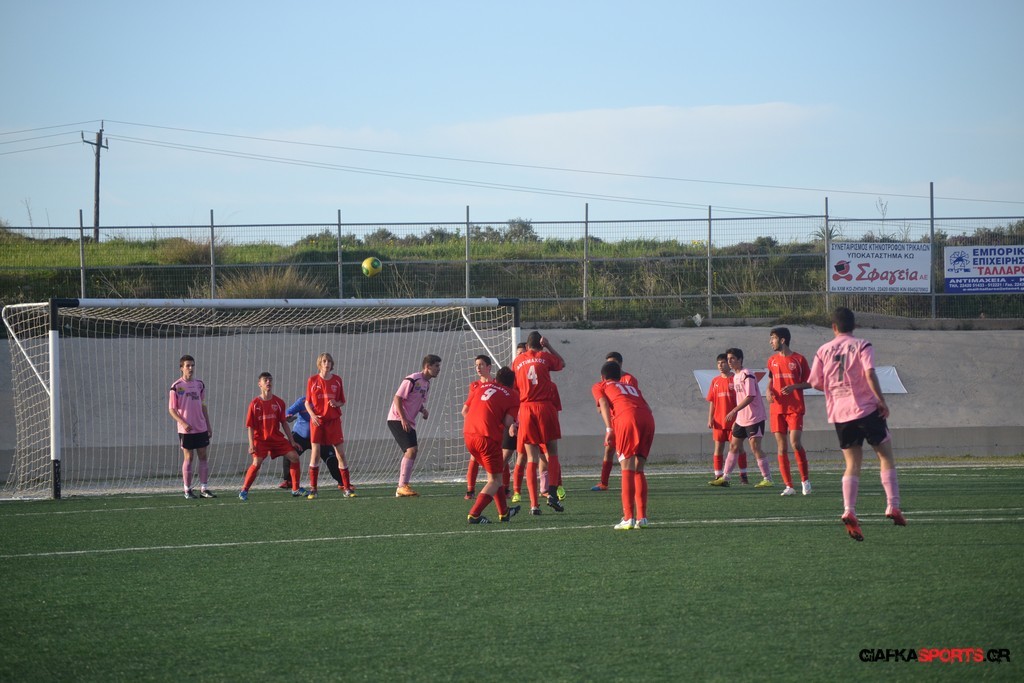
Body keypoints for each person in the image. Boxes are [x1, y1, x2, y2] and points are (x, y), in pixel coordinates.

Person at [808, 307, 906, 541]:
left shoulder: (822, 350)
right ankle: (892, 505)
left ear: (833, 327)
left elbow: (815, 382)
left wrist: (834, 389)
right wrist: (881, 400)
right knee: (885, 456)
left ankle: (849, 510)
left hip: (840, 414)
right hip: (866, 409)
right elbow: (870, 373)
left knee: (852, 463)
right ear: (854, 325)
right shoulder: (862, 345)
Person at [595, 361, 655, 530]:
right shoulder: (631, 387)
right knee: (638, 469)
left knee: (627, 468)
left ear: (602, 377)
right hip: (648, 420)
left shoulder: (600, 385)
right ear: (620, 376)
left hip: (627, 418)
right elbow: (648, 408)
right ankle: (642, 518)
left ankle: (628, 518)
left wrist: (609, 428)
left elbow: (603, 404)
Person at [512, 331, 565, 514]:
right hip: (544, 407)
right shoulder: (544, 356)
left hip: (526, 408)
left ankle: (534, 504)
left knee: (531, 458)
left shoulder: (517, 361)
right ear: (540, 345)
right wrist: (548, 346)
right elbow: (562, 363)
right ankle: (552, 493)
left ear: (526, 347)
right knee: (552, 452)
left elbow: (514, 386)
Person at [463, 367, 522, 524]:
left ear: (497, 379)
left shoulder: (481, 386)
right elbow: (508, 422)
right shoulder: (513, 395)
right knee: (495, 480)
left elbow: (466, 410)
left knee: (494, 476)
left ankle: (504, 512)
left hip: (469, 435)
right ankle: (474, 514)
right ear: (512, 383)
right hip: (486, 438)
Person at [710, 348, 774, 487]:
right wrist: (737, 414)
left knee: (755, 447)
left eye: (732, 358)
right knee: (733, 446)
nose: (729, 361)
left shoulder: (747, 374)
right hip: (741, 419)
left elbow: (750, 396)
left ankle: (767, 479)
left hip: (754, 417)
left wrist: (734, 410)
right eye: (728, 359)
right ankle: (725, 477)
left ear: (740, 360)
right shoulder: (736, 376)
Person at [238, 372, 304, 501]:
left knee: (295, 457)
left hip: (276, 439)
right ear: (260, 384)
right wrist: (251, 445)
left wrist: (292, 441)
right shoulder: (254, 404)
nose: (268, 382)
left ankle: (295, 489)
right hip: (260, 440)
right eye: (265, 380)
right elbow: (250, 427)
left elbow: (284, 423)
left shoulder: (279, 402)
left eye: (270, 380)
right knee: (256, 463)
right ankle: (244, 490)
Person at [766, 327, 813, 496]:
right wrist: (768, 391)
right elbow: (771, 379)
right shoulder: (772, 360)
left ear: (782, 340)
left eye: (773, 338)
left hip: (794, 408)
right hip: (777, 408)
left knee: (795, 443)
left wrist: (794, 386)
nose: (771, 342)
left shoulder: (799, 359)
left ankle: (805, 480)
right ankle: (789, 486)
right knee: (781, 447)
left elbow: (811, 382)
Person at [389, 354, 442, 497]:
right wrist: (403, 418)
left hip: (408, 420)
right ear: (427, 366)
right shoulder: (413, 379)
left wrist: (423, 410)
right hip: (397, 419)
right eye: (436, 366)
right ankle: (402, 486)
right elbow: (397, 398)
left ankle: (402, 486)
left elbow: (416, 400)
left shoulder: (427, 384)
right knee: (411, 450)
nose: (438, 369)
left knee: (413, 451)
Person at [305, 353, 355, 500]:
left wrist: (336, 403)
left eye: (329, 361)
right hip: (318, 422)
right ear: (319, 364)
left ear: (332, 364)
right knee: (315, 454)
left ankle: (347, 488)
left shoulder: (337, 380)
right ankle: (313, 489)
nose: (327, 364)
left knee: (341, 454)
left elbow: (342, 401)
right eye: (324, 361)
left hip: (333, 421)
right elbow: (307, 402)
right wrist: (312, 416)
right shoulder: (312, 380)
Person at [168, 354, 215, 499]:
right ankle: (187, 490)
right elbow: (172, 409)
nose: (190, 368)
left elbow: (203, 405)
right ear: (181, 368)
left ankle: (204, 489)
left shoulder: (199, 384)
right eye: (187, 366)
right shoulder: (176, 386)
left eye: (192, 365)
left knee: (203, 456)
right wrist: (183, 423)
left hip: (201, 427)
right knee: (189, 457)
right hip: (186, 429)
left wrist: (208, 425)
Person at [590, 351, 637, 492]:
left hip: (625, 420)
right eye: (608, 363)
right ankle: (603, 483)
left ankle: (632, 482)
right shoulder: (605, 382)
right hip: (613, 421)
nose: (610, 365)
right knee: (609, 450)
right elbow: (600, 406)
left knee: (629, 454)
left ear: (620, 364)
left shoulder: (629, 379)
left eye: (613, 363)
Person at [283, 396, 348, 491]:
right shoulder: (302, 401)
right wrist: (288, 416)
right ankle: (288, 481)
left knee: (331, 457)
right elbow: (289, 411)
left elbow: (337, 408)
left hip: (319, 436)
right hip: (301, 436)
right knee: (289, 453)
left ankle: (342, 482)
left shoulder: (325, 401)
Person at [705, 353, 749, 485]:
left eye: (723, 363)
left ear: (729, 364)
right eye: (718, 363)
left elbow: (742, 400)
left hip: (735, 421)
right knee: (718, 448)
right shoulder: (715, 381)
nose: (721, 365)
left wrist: (739, 417)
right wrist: (710, 418)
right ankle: (718, 476)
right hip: (719, 421)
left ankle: (743, 475)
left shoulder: (735, 379)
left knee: (738, 448)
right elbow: (712, 402)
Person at [461, 354, 494, 500]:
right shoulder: (475, 386)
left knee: (499, 458)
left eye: (481, 364)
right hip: (478, 431)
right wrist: (475, 423)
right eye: (476, 365)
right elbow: (465, 410)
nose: (478, 368)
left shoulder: (497, 384)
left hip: (493, 429)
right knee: (474, 457)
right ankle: (470, 490)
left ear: (489, 367)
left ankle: (505, 490)